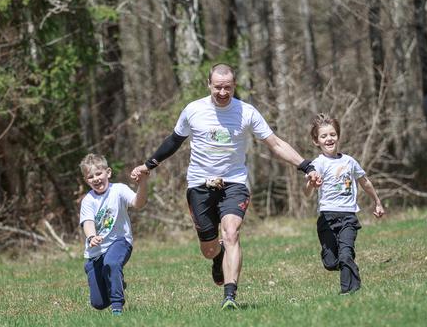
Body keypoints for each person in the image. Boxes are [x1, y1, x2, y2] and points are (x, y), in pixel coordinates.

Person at [130, 63, 321, 310]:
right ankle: (217, 256)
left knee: (231, 233)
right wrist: (149, 165)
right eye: (218, 87)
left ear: (234, 86)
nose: (222, 92)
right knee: (208, 249)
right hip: (199, 185)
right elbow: (174, 141)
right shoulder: (193, 110)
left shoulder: (246, 112)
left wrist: (306, 165)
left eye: (227, 87)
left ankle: (230, 295)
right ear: (209, 85)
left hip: (234, 182)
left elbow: (274, 143)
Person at [303, 113, 385, 295]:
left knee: (346, 254)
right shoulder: (318, 164)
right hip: (327, 218)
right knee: (331, 262)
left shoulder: (349, 162)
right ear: (316, 141)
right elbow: (307, 193)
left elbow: (365, 182)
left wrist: (377, 202)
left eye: (332, 134)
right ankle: (343, 268)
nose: (329, 139)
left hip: (348, 216)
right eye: (323, 136)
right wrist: (311, 183)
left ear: (338, 136)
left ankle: (349, 290)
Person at [79, 153, 149, 315]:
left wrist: (143, 184)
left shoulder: (119, 190)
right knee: (99, 303)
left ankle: (117, 307)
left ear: (108, 172)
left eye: (98, 174)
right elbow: (88, 223)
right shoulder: (88, 200)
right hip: (95, 252)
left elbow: (138, 203)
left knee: (111, 263)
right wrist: (91, 236)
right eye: (90, 177)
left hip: (120, 241)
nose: (96, 179)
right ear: (86, 180)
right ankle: (116, 281)